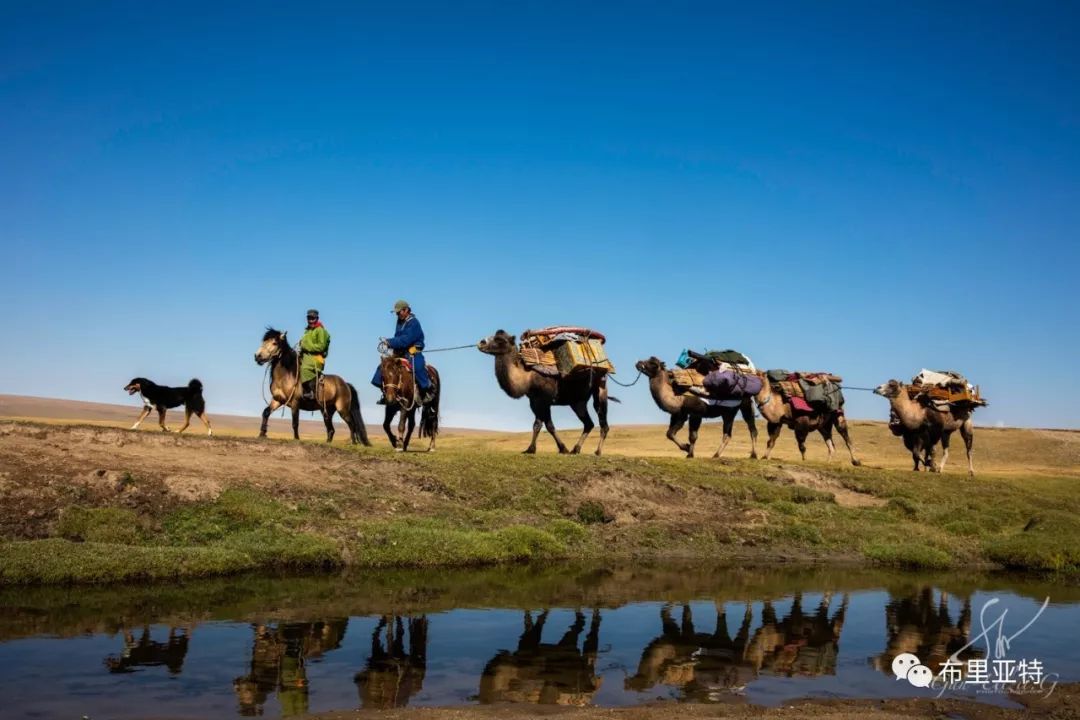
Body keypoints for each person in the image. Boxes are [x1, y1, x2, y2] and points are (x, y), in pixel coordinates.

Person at [372, 300, 434, 404]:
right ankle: (386, 393)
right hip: (400, 351)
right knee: (384, 366)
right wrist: (390, 343)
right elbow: (398, 338)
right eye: (396, 313)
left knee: (418, 367)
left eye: (399, 312)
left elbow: (406, 340)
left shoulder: (414, 322)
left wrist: (389, 342)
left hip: (413, 350)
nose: (397, 314)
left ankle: (427, 390)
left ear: (406, 310)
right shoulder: (400, 321)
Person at [299, 309, 330, 401]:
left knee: (304, 368)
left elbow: (321, 347)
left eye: (313, 318)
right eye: (309, 318)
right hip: (306, 356)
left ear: (317, 318)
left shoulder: (321, 330)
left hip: (316, 358)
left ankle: (310, 391)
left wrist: (305, 346)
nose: (311, 320)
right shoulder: (307, 331)